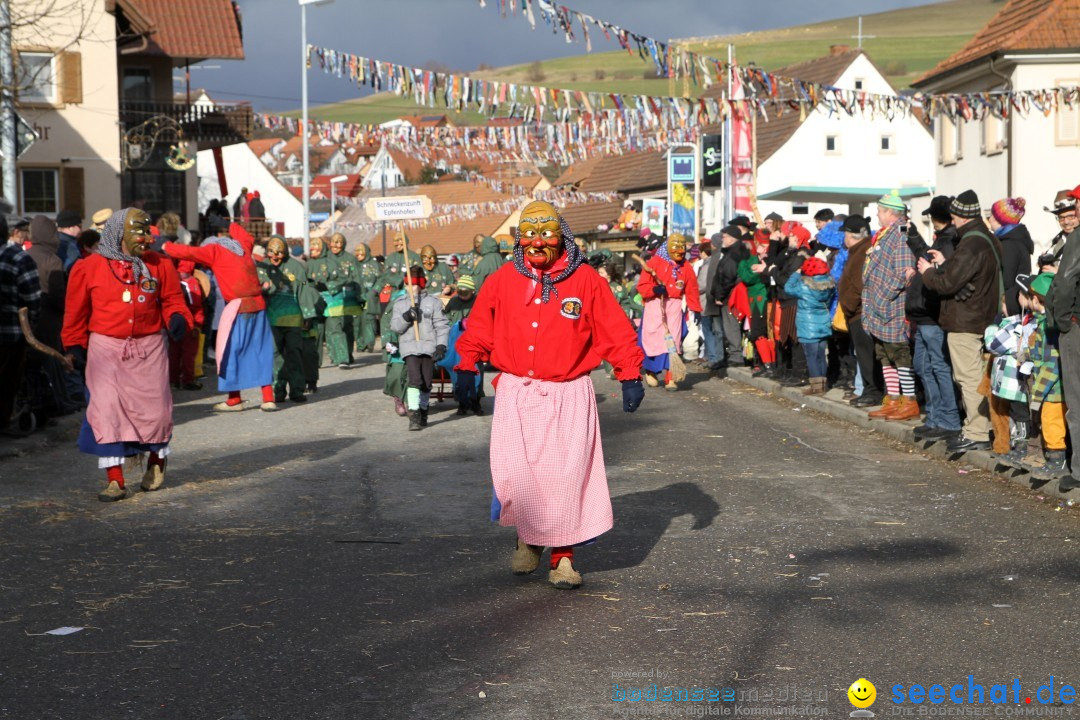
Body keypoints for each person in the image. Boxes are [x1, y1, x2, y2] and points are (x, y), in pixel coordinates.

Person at [453, 200, 645, 590]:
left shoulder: (586, 280)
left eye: (546, 233)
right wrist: (467, 360)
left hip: (567, 393)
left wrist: (629, 373)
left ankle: (563, 558)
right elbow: (479, 325)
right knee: (520, 476)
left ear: (562, 235)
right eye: (530, 234)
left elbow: (614, 328)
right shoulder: (504, 279)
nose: (537, 242)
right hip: (517, 393)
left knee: (563, 478)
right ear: (519, 239)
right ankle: (528, 539)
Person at [61, 209, 192, 501]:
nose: (146, 239)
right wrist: (73, 346)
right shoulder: (88, 268)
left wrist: (177, 317)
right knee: (106, 412)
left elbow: (172, 300)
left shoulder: (160, 265)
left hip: (149, 349)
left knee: (156, 413)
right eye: (139, 232)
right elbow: (75, 313)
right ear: (119, 234)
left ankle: (156, 462)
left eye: (148, 233)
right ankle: (115, 480)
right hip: (106, 350)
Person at [919, 190, 1004, 453]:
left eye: (954, 216)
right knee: (978, 376)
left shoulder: (970, 244)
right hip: (981, 315)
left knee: (968, 377)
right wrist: (947, 262)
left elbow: (946, 284)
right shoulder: (986, 238)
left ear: (960, 216)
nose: (952, 221)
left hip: (966, 319)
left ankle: (976, 432)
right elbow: (969, 275)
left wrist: (928, 273)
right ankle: (982, 428)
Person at [163, 222, 278, 412]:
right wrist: (231, 225)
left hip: (236, 308)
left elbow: (188, 252)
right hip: (258, 305)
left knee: (229, 353)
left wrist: (166, 247)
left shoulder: (215, 251)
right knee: (260, 352)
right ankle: (268, 398)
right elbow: (246, 236)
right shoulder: (242, 247)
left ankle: (234, 399)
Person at [862, 191, 918, 421]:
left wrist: (881, 297)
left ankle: (909, 401)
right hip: (878, 308)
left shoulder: (901, 234)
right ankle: (893, 399)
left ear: (889, 212)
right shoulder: (887, 234)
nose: (876, 214)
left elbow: (904, 273)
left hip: (891, 308)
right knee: (884, 355)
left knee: (899, 355)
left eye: (879, 210)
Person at [908, 196, 961, 441]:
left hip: (933, 315)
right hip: (923, 314)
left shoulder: (949, 241)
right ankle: (934, 417)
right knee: (923, 366)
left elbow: (940, 274)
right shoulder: (942, 239)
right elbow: (927, 260)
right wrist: (915, 238)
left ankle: (948, 421)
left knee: (938, 367)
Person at [1045, 186, 1080, 491]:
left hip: (1076, 324)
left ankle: (1079, 470)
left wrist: (1062, 320)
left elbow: (1066, 281)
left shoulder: (1077, 238)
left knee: (1077, 397)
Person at [1015, 273, 1067, 480]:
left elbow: (1051, 362)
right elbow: (1039, 352)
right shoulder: (1043, 323)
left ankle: (1057, 460)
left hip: (1052, 387)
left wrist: (1038, 390)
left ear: (1036, 299)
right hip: (1049, 384)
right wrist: (1026, 355)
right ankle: (1052, 457)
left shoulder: (1048, 327)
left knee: (1052, 421)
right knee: (1049, 420)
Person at [257, 236, 319, 404]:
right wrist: (263, 289)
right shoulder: (262, 266)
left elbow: (303, 291)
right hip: (271, 319)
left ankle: (297, 390)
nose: (275, 256)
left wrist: (308, 315)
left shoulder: (295, 267)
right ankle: (277, 390)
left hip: (293, 319)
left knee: (294, 354)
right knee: (275, 356)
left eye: (279, 253)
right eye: (271, 252)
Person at [637, 233, 700, 391]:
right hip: (655, 305)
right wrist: (654, 289)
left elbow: (692, 288)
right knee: (653, 340)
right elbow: (642, 286)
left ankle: (670, 376)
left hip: (674, 307)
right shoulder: (654, 262)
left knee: (673, 341)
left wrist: (695, 308)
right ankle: (651, 370)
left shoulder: (686, 267)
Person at [390, 265, 449, 431]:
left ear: (422, 284)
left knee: (426, 382)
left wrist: (441, 345)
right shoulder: (400, 304)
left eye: (416, 284)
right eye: (410, 284)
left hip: (428, 347)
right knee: (414, 380)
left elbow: (442, 326)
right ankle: (414, 415)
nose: (413, 288)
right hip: (410, 347)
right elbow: (395, 326)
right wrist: (407, 317)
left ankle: (423, 409)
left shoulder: (433, 302)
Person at [0, 215, 42, 435]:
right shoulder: (17, 257)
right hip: (10, 334)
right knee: (7, 382)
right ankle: (3, 422)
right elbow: (32, 298)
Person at [838, 215, 881, 407]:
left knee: (866, 353)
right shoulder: (857, 250)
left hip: (860, 312)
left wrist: (848, 305)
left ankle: (873, 390)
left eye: (845, 233)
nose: (844, 238)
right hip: (857, 311)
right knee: (863, 353)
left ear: (851, 235)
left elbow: (858, 283)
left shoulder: (862, 251)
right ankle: (869, 389)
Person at [308, 233, 362, 369]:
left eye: (339, 242)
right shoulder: (312, 263)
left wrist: (360, 296)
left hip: (340, 298)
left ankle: (344, 356)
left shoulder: (347, 259)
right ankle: (322, 359)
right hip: (317, 301)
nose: (336, 245)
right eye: (334, 242)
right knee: (320, 331)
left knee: (342, 327)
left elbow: (353, 278)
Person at [783, 256, 836, 396]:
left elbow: (788, 288)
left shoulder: (803, 286)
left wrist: (796, 273)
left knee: (811, 356)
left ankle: (816, 387)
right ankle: (824, 385)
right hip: (823, 322)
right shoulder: (830, 285)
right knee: (820, 355)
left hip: (807, 324)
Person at [710, 225, 749, 368]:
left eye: (724, 236)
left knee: (731, 326)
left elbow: (728, 276)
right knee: (730, 326)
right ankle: (735, 354)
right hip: (730, 294)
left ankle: (736, 356)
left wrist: (720, 295)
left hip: (731, 296)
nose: (722, 239)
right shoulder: (732, 252)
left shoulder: (734, 254)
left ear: (732, 238)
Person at [169, 260, 204, 391]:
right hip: (188, 321)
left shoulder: (171, 278)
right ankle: (188, 380)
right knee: (188, 352)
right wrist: (197, 324)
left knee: (174, 352)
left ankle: (173, 380)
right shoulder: (191, 282)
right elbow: (196, 305)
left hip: (172, 320)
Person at [696, 234, 722, 370]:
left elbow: (702, 285)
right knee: (715, 330)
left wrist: (692, 290)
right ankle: (715, 357)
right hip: (710, 302)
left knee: (708, 330)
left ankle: (714, 358)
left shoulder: (708, 265)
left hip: (706, 303)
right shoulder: (715, 261)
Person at [353, 242, 382, 353]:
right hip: (356, 298)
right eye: (357, 251)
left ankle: (369, 343)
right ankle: (360, 344)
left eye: (361, 251)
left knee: (369, 321)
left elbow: (381, 279)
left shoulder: (374, 264)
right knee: (357, 322)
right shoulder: (354, 265)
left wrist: (374, 291)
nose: (359, 253)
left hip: (370, 297)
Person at [1041, 189, 1077, 271]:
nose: (1066, 222)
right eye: (1061, 218)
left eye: (1071, 216)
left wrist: (1058, 273)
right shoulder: (1059, 239)